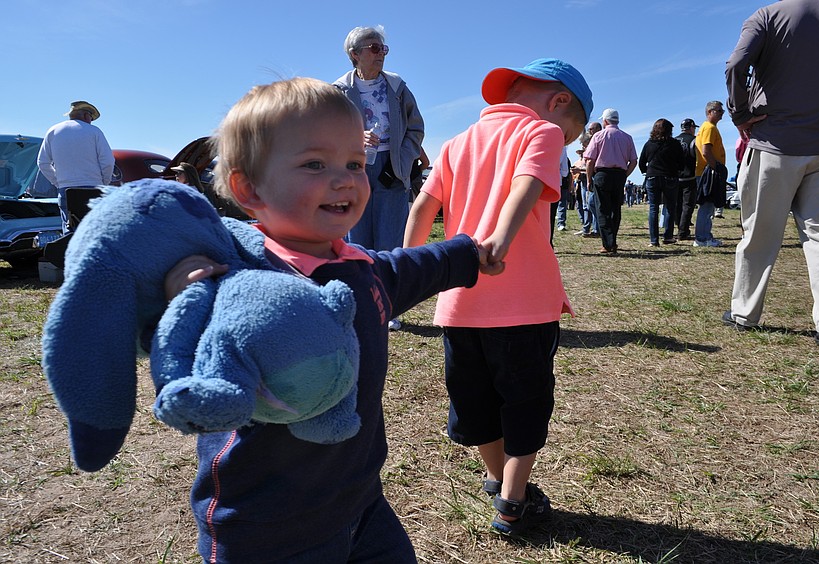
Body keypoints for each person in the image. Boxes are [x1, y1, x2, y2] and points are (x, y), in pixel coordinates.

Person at [163, 77, 502, 562]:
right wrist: (178, 283)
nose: (344, 178)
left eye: (355, 163)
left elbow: (418, 267)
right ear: (247, 186)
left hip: (360, 501)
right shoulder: (235, 274)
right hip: (264, 524)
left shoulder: (363, 268)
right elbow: (162, 312)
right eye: (314, 164)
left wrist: (468, 252)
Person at [404, 58, 593, 538]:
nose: (563, 143)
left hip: (459, 305)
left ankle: (497, 479)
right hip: (524, 305)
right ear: (559, 103)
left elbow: (425, 205)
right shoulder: (542, 133)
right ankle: (513, 498)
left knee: (474, 403)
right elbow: (525, 186)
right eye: (572, 134)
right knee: (525, 401)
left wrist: (406, 267)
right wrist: (501, 240)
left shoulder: (457, 143)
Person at [723, 0, 819, 354]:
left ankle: (744, 313)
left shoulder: (766, 15)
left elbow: (736, 64)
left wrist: (740, 113)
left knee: (761, 230)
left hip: (776, 141)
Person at [334, 26, 424, 332]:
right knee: (357, 239)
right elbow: (324, 133)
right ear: (354, 55)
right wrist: (354, 138)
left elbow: (415, 129)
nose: (381, 54)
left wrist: (402, 159)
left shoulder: (397, 87)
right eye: (374, 48)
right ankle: (360, 305)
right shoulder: (337, 92)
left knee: (389, 240)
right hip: (354, 168)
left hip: (392, 169)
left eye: (383, 48)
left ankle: (389, 308)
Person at [37, 100, 114, 233]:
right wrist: (103, 183)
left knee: (69, 233)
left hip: (66, 189)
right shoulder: (94, 131)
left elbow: (42, 162)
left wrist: (58, 182)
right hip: (93, 188)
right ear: (86, 115)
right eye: (91, 117)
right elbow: (108, 161)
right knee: (93, 233)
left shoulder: (53, 131)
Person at [583, 108, 637, 254]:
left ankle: (608, 243)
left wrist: (589, 179)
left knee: (602, 210)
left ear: (605, 121)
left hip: (602, 174)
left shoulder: (599, 136)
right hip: (619, 174)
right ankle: (612, 240)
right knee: (615, 209)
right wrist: (625, 174)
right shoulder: (627, 137)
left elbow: (589, 161)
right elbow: (633, 161)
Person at [639, 119, 685, 246]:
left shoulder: (649, 144)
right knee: (670, 207)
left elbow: (641, 162)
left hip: (653, 176)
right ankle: (668, 236)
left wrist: (646, 172)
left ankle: (654, 240)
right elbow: (681, 163)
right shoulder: (675, 144)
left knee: (653, 208)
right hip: (670, 176)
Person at [692, 101, 727, 247]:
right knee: (707, 206)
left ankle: (704, 236)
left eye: (722, 111)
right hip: (708, 172)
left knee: (708, 205)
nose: (721, 113)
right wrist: (715, 168)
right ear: (709, 112)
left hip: (705, 171)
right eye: (719, 111)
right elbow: (706, 151)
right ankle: (702, 238)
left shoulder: (708, 128)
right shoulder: (709, 128)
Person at [676, 119, 699, 240]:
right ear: (691, 127)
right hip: (689, 177)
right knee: (687, 205)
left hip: (674, 177)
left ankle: (678, 226)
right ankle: (683, 231)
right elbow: (698, 157)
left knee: (677, 205)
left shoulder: (673, 140)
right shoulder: (694, 140)